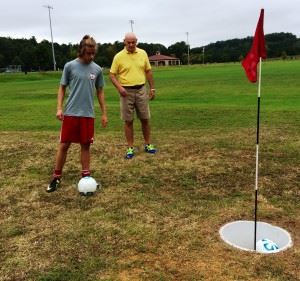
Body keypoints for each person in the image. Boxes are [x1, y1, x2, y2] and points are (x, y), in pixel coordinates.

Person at [47, 35, 107, 193]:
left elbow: (100, 92)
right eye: (88, 53)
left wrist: (104, 113)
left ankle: (86, 176)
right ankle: (56, 177)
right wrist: (59, 108)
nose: (91, 57)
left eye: (93, 53)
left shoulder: (97, 69)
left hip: (88, 115)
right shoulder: (69, 66)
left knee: (85, 145)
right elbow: (62, 87)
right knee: (64, 145)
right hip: (71, 113)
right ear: (81, 51)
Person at [109, 32, 156, 159]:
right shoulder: (118, 56)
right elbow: (112, 75)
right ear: (124, 41)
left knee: (145, 119)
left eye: (133, 42)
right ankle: (130, 147)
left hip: (141, 89)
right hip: (126, 92)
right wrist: (119, 88)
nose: (131, 44)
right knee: (128, 121)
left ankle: (148, 144)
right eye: (128, 42)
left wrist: (152, 88)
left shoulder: (143, 53)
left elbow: (148, 71)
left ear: (137, 42)